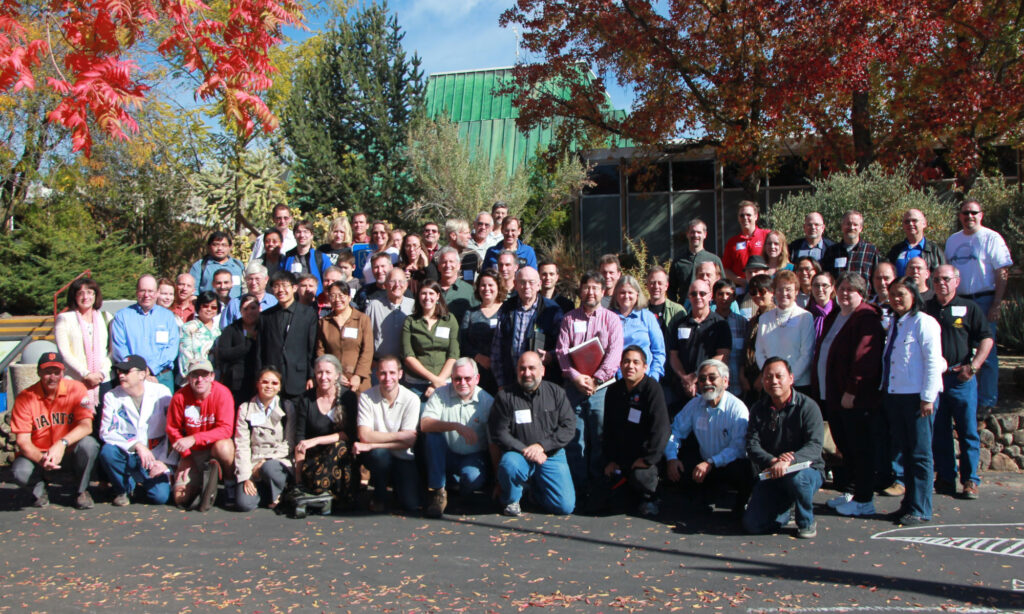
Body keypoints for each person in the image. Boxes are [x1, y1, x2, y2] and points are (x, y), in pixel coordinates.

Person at [812, 272, 884, 517]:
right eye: (841, 288)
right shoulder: (837, 315)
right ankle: (853, 492)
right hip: (831, 394)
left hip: (853, 397)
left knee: (860, 447)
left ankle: (865, 499)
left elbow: (864, 359)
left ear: (861, 294)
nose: (844, 293)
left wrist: (852, 389)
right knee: (846, 447)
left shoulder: (865, 317)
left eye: (850, 290)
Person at [925, 264, 994, 500]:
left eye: (945, 279)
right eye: (936, 280)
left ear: (956, 280)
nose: (941, 283)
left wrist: (973, 367)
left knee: (967, 431)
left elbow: (986, 339)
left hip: (961, 379)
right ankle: (945, 477)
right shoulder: (926, 309)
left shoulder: (969, 308)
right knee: (939, 432)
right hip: (935, 380)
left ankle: (970, 480)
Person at [881, 278, 944, 526]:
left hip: (918, 399)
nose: (897, 299)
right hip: (896, 395)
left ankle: (920, 508)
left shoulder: (925, 323)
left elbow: (932, 362)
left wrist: (928, 397)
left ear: (914, 295)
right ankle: (908, 504)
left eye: (902, 294)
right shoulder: (896, 323)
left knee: (920, 455)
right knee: (906, 453)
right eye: (893, 294)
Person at [556, 271, 624, 495]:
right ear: (580, 291)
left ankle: (598, 485)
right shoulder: (569, 319)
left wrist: (595, 379)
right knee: (575, 438)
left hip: (601, 389)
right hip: (573, 388)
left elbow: (615, 354)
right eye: (586, 287)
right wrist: (576, 378)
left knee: (599, 437)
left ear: (603, 292)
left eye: (595, 288)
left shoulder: (612, 320)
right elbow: (562, 352)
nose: (590, 292)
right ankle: (578, 485)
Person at [743, 358, 825, 538]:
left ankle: (806, 522)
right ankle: (783, 512)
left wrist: (790, 460)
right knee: (753, 525)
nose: (773, 381)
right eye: (768, 377)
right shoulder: (758, 408)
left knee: (797, 479)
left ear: (791, 378)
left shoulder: (808, 407)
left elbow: (815, 446)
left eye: (779, 376)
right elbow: (752, 444)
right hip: (772, 471)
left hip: (806, 470)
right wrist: (774, 461)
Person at [489, 351, 576, 516]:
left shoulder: (556, 393)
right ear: (517, 371)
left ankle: (534, 492)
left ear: (542, 371)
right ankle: (511, 500)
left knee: (564, 507)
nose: (527, 373)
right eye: (522, 369)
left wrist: (542, 446)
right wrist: (525, 450)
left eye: (532, 368)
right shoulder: (505, 397)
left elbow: (569, 426)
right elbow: (499, 433)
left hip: (550, 454)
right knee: (509, 465)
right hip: (519, 454)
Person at [945, 199, 1012, 415]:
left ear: (981, 215)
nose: (969, 216)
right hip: (960, 303)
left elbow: (1002, 272)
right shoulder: (953, 241)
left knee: (987, 351)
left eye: (973, 212)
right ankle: (961, 397)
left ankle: (986, 401)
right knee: (960, 351)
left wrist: (996, 303)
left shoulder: (991, 238)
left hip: (984, 300)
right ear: (960, 216)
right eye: (965, 213)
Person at [11, 352, 99, 509]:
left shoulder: (76, 389)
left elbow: (86, 426)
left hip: (68, 451)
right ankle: (39, 490)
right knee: (20, 470)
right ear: (38, 372)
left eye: (56, 372)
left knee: (89, 445)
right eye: (47, 372)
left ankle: (81, 491)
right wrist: (43, 460)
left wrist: (62, 443)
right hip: (39, 455)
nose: (52, 377)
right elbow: (22, 441)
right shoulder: (25, 397)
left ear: (63, 372)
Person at [665, 359, 751, 517]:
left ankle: (741, 504)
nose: (707, 382)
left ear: (725, 381)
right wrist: (671, 458)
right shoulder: (695, 404)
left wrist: (711, 462)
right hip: (704, 464)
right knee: (679, 467)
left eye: (712, 378)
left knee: (743, 470)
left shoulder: (737, 409)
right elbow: (676, 431)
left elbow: (739, 448)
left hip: (728, 464)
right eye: (702, 379)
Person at [594, 346, 670, 516]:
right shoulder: (614, 390)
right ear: (620, 365)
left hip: (644, 458)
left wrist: (648, 459)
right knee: (599, 499)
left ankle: (651, 497)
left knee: (641, 477)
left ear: (645, 367)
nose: (630, 366)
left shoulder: (652, 389)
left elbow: (661, 429)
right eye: (626, 361)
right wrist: (610, 460)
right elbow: (608, 429)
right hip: (621, 457)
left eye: (636, 362)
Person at [420, 358, 495, 517]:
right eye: (457, 378)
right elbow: (425, 424)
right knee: (433, 436)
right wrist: (455, 426)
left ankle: (457, 487)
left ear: (477, 379)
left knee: (471, 478)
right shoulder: (440, 394)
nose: (462, 382)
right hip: (447, 453)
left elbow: (494, 442)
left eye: (467, 378)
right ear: (451, 378)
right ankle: (437, 492)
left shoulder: (487, 401)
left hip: (473, 456)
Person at [99, 355, 175, 506]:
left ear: (142, 374)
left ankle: (144, 482)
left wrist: (165, 463)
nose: (121, 375)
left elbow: (172, 430)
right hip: (129, 453)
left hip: (155, 454)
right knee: (108, 451)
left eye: (126, 372)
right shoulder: (111, 396)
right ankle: (124, 489)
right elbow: (106, 431)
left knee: (160, 498)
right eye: (119, 371)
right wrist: (137, 445)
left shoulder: (162, 392)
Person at [166, 359, 236, 511]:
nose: (199, 380)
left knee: (224, 447)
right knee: (180, 498)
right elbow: (173, 430)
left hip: (215, 448)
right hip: (193, 452)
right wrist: (186, 457)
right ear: (188, 378)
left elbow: (226, 429)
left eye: (204, 375)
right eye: (195, 375)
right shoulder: (180, 397)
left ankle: (230, 483)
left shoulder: (222, 393)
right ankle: (202, 484)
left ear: (212, 376)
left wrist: (194, 438)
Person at [354, 356, 421, 513]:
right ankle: (379, 495)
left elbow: (409, 442)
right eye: (383, 373)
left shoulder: (412, 399)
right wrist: (400, 436)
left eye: (392, 373)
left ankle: (397, 485)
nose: (387, 378)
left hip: (403, 456)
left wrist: (372, 443)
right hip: (378, 456)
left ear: (400, 374)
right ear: (376, 375)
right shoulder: (366, 397)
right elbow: (364, 435)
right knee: (379, 455)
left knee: (411, 504)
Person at [293, 355, 360, 508]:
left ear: (337, 375)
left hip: (340, 458)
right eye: (319, 372)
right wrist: (297, 481)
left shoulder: (347, 397)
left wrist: (316, 440)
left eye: (328, 373)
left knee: (340, 446)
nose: (323, 377)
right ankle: (317, 491)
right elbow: (300, 439)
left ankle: (327, 492)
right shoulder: (305, 400)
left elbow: (348, 434)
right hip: (314, 460)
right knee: (312, 477)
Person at [491, 266, 564, 390]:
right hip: (510, 382)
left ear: (539, 285)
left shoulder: (553, 310)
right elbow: (496, 349)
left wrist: (551, 355)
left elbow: (563, 346)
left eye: (531, 282)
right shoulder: (506, 308)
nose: (527, 286)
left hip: (542, 385)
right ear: (515, 284)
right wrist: (501, 384)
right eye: (522, 282)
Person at [233, 368, 294, 511]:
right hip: (253, 463)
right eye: (265, 382)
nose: (269, 386)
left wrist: (266, 461)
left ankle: (281, 490)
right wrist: (246, 476)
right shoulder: (245, 408)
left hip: (277, 460)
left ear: (279, 387)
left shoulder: (287, 407)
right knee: (244, 504)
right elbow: (242, 444)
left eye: (274, 383)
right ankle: (271, 494)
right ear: (257, 384)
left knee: (269, 467)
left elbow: (289, 443)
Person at [110, 274, 180, 392]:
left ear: (157, 292)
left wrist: (151, 368)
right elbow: (119, 349)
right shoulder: (122, 316)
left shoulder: (167, 316)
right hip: (131, 377)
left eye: (151, 291)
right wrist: (138, 371)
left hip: (162, 376)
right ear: (137, 292)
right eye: (142, 291)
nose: (146, 295)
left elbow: (172, 348)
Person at [54, 276, 113, 411]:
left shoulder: (106, 317)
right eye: (80, 293)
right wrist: (86, 374)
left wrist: (102, 373)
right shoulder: (65, 319)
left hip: (103, 380)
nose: (85, 297)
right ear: (74, 297)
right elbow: (65, 353)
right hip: (75, 380)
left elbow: (111, 350)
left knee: (102, 425)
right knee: (78, 425)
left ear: (95, 295)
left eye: (89, 292)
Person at [259, 271, 318, 401]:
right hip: (273, 379)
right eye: (276, 286)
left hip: (299, 379)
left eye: (285, 285)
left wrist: (312, 375)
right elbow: (260, 349)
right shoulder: (266, 316)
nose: (281, 290)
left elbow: (312, 347)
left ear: (294, 288)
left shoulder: (308, 314)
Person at [668, 279, 730, 401]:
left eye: (702, 293)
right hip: (682, 388)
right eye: (693, 294)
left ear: (710, 296)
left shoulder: (721, 324)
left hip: (709, 387)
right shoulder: (679, 324)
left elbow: (723, 355)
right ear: (688, 297)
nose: (698, 297)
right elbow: (673, 356)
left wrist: (696, 376)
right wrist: (685, 378)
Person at [755, 271, 815, 393]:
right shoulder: (764, 319)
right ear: (774, 291)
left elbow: (806, 354)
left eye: (788, 289)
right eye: (780, 289)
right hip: (772, 385)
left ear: (796, 292)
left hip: (798, 384)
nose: (784, 293)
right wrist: (770, 377)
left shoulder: (805, 317)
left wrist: (788, 380)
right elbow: (760, 353)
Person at [401, 279, 460, 399]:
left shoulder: (449, 320)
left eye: (431, 293)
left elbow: (454, 354)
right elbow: (408, 356)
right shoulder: (410, 321)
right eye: (423, 293)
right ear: (418, 296)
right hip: (416, 384)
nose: (427, 297)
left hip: (445, 383)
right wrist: (434, 380)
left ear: (438, 296)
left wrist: (437, 383)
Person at [316, 281, 373, 393]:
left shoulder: (362, 319)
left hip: (358, 381)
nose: (337, 299)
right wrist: (334, 374)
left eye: (341, 295)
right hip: (333, 381)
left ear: (349, 297)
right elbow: (320, 351)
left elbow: (367, 350)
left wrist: (358, 375)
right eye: (333, 296)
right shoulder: (324, 322)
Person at [610, 275, 665, 381]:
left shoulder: (647, 317)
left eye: (630, 292)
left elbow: (659, 351)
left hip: (644, 379)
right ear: (616, 295)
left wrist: (653, 378)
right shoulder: (609, 317)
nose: (626, 296)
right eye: (622, 292)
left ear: (637, 294)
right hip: (615, 380)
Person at [461, 269, 506, 394]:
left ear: (498, 287)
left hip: (502, 373)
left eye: (490, 285)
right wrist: (478, 357)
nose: (486, 289)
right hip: (476, 372)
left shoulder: (507, 311)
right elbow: (462, 342)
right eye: (483, 285)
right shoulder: (470, 313)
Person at [215, 293, 261, 407]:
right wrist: (249, 342)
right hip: (236, 381)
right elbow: (224, 353)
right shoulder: (231, 330)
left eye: (253, 308)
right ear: (240, 311)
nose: (249, 312)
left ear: (259, 309)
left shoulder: (266, 326)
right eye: (245, 309)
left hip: (259, 380)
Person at [367, 268, 416, 363]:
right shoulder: (374, 306)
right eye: (392, 281)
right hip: (379, 366)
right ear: (385, 285)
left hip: (407, 366)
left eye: (401, 281)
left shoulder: (414, 306)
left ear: (406, 285)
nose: (397, 285)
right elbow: (366, 338)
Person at [669, 218, 723, 303]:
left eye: (699, 232)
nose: (695, 235)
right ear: (687, 234)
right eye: (692, 232)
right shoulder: (678, 262)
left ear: (705, 235)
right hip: (685, 309)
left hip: (710, 307)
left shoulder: (714, 260)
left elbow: (722, 286)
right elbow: (671, 289)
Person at [739, 274, 774, 402]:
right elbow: (746, 348)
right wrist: (742, 375)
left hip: (767, 376)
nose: (757, 295)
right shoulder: (753, 320)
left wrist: (763, 376)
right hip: (750, 375)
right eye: (753, 292)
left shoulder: (776, 318)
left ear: (772, 292)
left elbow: (773, 350)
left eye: (762, 291)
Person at [821, 210, 880, 284]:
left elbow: (877, 278)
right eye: (848, 224)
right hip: (838, 295)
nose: (851, 227)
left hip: (863, 295)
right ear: (842, 226)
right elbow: (826, 277)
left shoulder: (871, 250)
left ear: (861, 228)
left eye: (855, 224)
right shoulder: (832, 251)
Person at [722, 201, 771, 289]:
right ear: (738, 218)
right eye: (742, 215)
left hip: (764, 286)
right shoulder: (732, 242)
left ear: (756, 216)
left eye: (748, 215)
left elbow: (777, 259)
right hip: (740, 288)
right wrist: (741, 281)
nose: (745, 218)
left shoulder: (767, 236)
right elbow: (725, 269)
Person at [713, 279, 747, 397]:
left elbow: (745, 353)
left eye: (728, 294)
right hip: (715, 384)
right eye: (720, 294)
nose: (724, 297)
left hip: (738, 383)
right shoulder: (708, 322)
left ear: (734, 297)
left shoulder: (742, 322)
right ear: (714, 297)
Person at [887, 209, 946, 277]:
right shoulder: (896, 250)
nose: (910, 224)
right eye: (907, 222)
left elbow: (942, 275)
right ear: (903, 225)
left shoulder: (934, 251)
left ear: (924, 224)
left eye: (914, 220)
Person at [177, 291, 221, 381]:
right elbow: (185, 357)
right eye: (205, 306)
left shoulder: (219, 331)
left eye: (213, 307)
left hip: (214, 380)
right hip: (193, 379)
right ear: (198, 306)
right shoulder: (188, 328)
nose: (209, 309)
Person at [283, 219, 333, 294]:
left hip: (315, 300)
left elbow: (330, 281)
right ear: (294, 235)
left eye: (305, 232)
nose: (302, 235)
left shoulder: (321, 258)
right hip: (293, 301)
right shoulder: (287, 257)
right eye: (298, 232)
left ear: (312, 235)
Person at [220, 263, 277, 328]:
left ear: (266, 279)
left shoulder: (274, 302)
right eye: (250, 279)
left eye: (257, 279)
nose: (253, 283)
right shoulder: (234, 304)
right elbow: (225, 329)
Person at [190, 231, 245, 298]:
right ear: (209, 246)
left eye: (224, 245)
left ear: (230, 247)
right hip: (210, 307)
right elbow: (193, 293)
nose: (219, 248)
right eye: (216, 245)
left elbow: (245, 290)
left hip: (234, 307)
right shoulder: (200, 266)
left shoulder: (238, 265)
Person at [435, 246, 479, 323]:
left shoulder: (469, 290)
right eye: (444, 262)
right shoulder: (432, 289)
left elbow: (477, 316)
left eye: (451, 261)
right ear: (438, 267)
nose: (448, 265)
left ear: (459, 265)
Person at [871, 261, 898, 332]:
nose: (882, 283)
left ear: (895, 279)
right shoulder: (866, 305)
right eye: (878, 278)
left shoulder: (899, 307)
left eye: (886, 278)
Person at [808, 271, 835, 340]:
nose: (820, 289)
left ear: (832, 288)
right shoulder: (805, 315)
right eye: (816, 285)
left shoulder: (838, 313)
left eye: (825, 285)